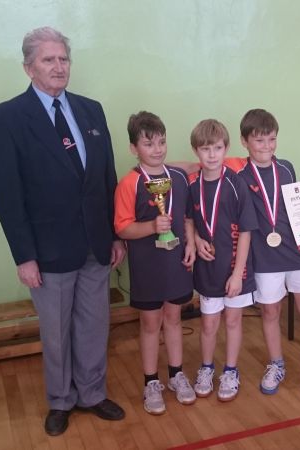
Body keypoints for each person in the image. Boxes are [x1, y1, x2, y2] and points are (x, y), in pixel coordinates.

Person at [0, 27, 126, 436]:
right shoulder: (6, 118)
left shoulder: (91, 110)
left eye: (63, 58)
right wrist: (23, 256)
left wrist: (116, 234)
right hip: (46, 250)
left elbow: (107, 178)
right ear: (28, 67)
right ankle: (61, 400)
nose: (59, 66)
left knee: (93, 326)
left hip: (96, 244)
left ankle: (92, 393)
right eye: (49, 60)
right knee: (57, 333)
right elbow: (6, 193)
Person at [197, 109, 300, 400]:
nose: (267, 146)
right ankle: (276, 364)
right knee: (270, 312)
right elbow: (199, 163)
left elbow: (299, 206)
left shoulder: (287, 168)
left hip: (297, 250)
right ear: (244, 142)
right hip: (264, 258)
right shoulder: (236, 172)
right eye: (259, 140)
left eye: (271, 139)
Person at [114, 111, 197, 415]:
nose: (157, 149)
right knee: (151, 323)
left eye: (161, 142)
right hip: (147, 264)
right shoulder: (130, 183)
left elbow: (187, 216)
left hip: (176, 260)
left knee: (174, 318)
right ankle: (151, 382)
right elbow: (123, 228)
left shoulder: (179, 177)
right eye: (148, 144)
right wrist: (151, 227)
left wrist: (191, 244)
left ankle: (176, 374)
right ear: (133, 148)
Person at [187, 119, 258, 402]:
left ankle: (230, 370)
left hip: (235, 269)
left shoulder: (236, 183)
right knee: (208, 324)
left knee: (233, 320)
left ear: (226, 148)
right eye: (205, 149)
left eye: (217, 148)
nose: (212, 154)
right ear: (196, 151)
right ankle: (206, 368)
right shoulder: (193, 185)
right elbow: (189, 219)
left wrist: (238, 273)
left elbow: (247, 231)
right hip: (208, 269)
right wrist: (195, 240)